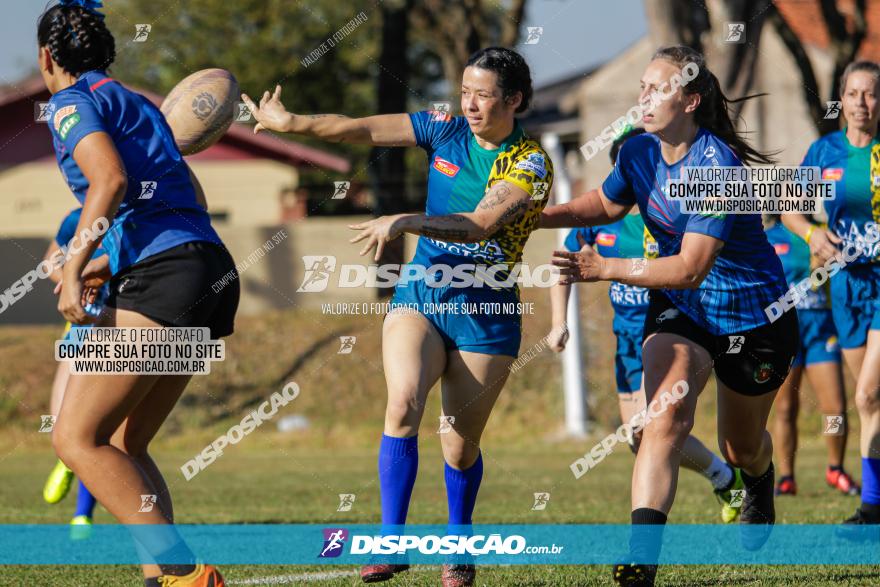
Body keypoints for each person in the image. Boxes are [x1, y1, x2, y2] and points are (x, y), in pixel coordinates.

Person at [244, 46, 552, 587]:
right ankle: (391, 543)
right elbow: (361, 128)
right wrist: (292, 124)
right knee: (404, 400)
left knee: (458, 444)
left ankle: (458, 546)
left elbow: (481, 224)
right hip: (422, 296)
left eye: (483, 95)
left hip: (489, 309)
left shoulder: (530, 162)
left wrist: (407, 220)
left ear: (515, 99)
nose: (470, 104)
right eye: (465, 92)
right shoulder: (443, 129)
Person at [542, 45, 798, 586]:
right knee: (661, 421)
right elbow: (602, 206)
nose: (643, 99)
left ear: (691, 99)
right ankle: (641, 562)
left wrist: (604, 266)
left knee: (741, 447)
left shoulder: (717, 165)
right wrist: (534, 216)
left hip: (755, 317)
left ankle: (758, 479)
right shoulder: (636, 152)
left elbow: (689, 268)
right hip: (684, 313)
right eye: (641, 88)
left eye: (658, 89)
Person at [39, 1, 239, 585]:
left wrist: (75, 268)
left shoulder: (71, 104)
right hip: (205, 269)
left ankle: (185, 574)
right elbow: (187, 203)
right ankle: (161, 578)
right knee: (126, 442)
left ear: (48, 57)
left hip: (167, 278)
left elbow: (110, 180)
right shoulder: (138, 106)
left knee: (74, 438)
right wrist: (108, 261)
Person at [548, 127, 745, 525]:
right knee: (640, 441)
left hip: (670, 335)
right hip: (627, 342)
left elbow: (699, 261)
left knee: (649, 428)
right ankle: (724, 477)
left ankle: (653, 531)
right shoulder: (601, 222)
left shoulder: (674, 218)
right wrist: (558, 323)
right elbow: (562, 267)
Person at [782, 60, 880, 529]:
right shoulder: (825, 152)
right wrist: (813, 236)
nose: (862, 104)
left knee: (865, 398)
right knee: (874, 403)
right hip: (845, 288)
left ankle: (871, 506)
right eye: (854, 94)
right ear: (842, 100)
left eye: (872, 94)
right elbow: (789, 209)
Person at [763, 216, 858, 497]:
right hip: (784, 331)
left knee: (835, 408)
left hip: (821, 329)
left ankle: (835, 469)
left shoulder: (827, 234)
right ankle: (786, 478)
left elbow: (849, 271)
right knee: (784, 409)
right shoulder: (769, 236)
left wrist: (829, 267)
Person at [42, 207, 109, 539]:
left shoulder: (139, 213)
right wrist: (73, 280)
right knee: (60, 419)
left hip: (119, 327)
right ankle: (64, 461)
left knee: (93, 429)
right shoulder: (77, 217)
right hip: (80, 327)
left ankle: (82, 516)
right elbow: (49, 262)